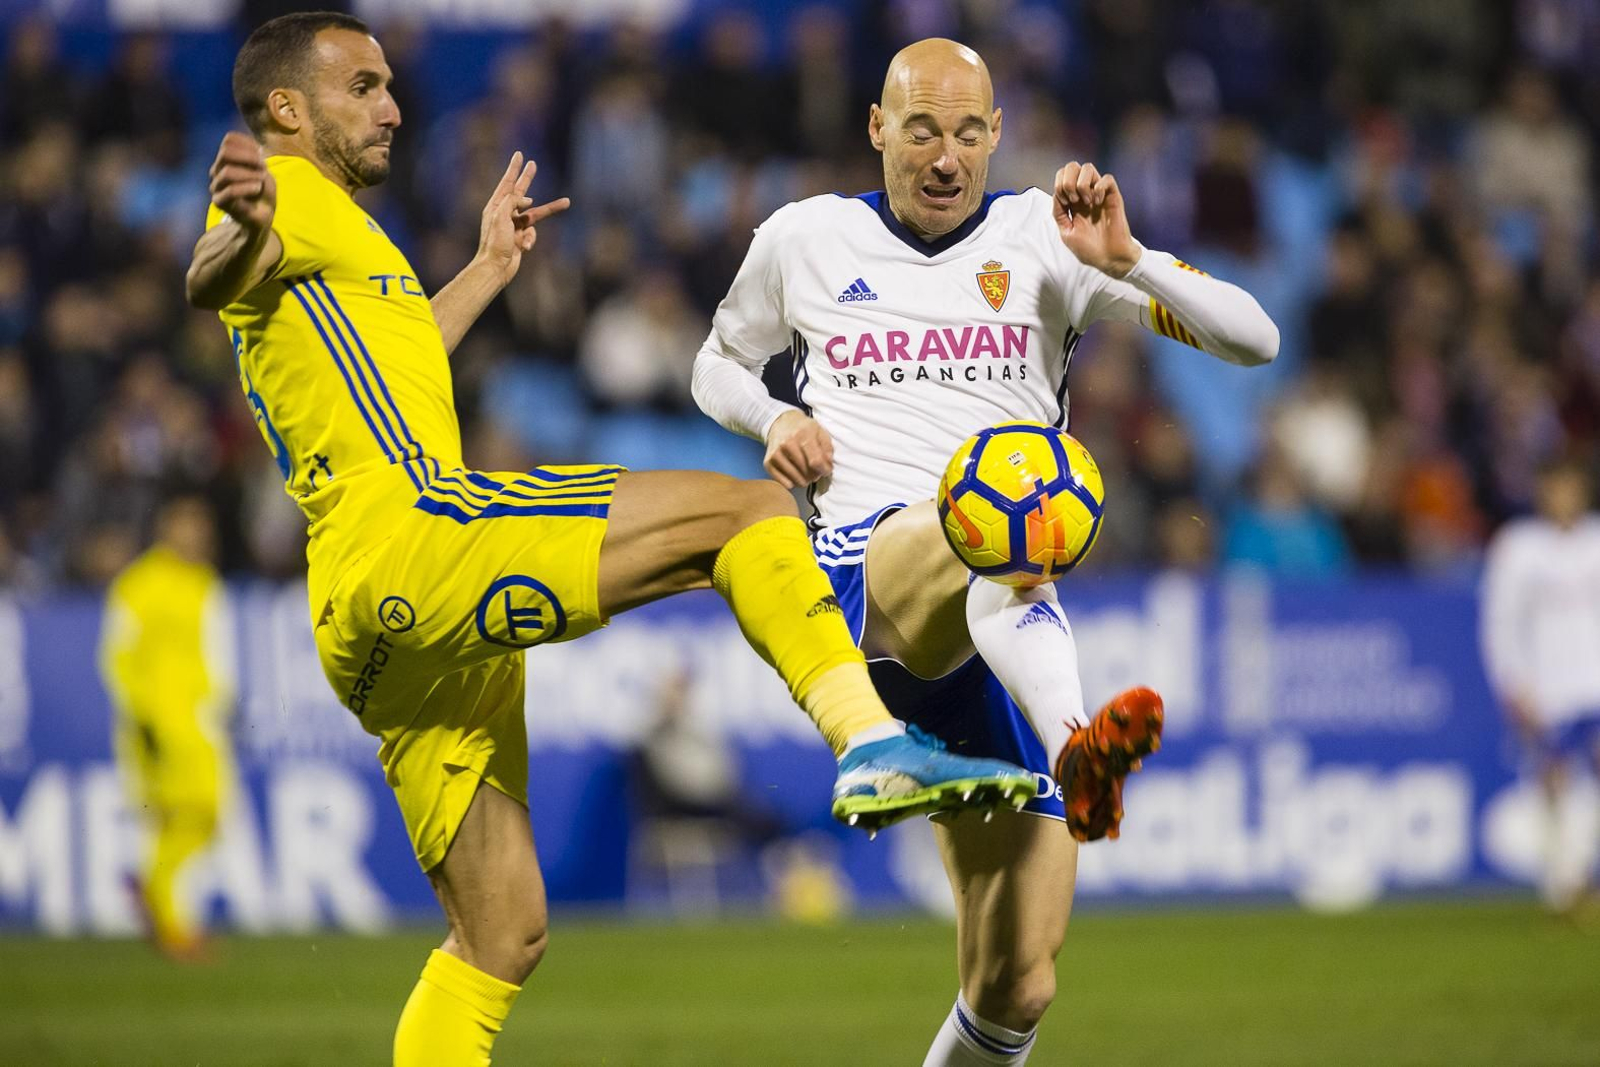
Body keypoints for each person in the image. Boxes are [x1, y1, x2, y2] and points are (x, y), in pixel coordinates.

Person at [185, 14, 1035, 1065]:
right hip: (414, 533)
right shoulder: (291, 195)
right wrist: (235, 222)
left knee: (498, 935)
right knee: (747, 514)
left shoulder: (350, 241)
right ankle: (869, 740)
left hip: (363, 625)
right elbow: (222, 268)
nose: (393, 105)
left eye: (389, 84)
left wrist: (490, 269)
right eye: (362, 87)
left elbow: (391, 355)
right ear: (286, 111)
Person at [693, 38, 1279, 1065]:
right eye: (920, 129)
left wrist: (1127, 261)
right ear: (876, 128)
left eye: (968, 132)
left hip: (992, 635)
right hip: (866, 590)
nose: (945, 155)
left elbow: (1255, 339)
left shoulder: (1047, 237)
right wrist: (770, 417)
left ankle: (1063, 751)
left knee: (1016, 983)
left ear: (997, 135)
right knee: (1003, 502)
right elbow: (714, 361)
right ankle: (1074, 742)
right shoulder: (805, 238)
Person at [99, 493, 236, 959]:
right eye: (187, 525)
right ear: (166, 528)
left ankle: (156, 893)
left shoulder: (202, 581)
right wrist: (142, 716)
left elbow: (212, 652)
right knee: (186, 813)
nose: (197, 535)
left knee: (205, 815)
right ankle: (171, 919)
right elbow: (117, 655)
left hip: (199, 721)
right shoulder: (139, 584)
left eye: (201, 526)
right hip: (158, 724)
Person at [1481, 456, 1600, 916]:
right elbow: (1500, 623)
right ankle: (1562, 881)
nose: (1563, 497)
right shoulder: (1518, 548)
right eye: (1555, 487)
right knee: (1555, 780)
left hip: (1595, 680)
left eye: (1571, 486)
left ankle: (1581, 875)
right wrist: (1512, 681)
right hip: (1549, 687)